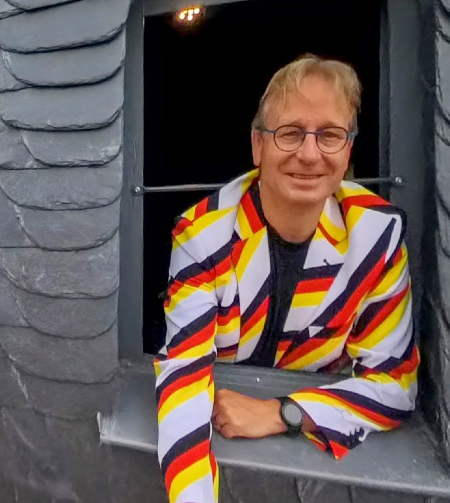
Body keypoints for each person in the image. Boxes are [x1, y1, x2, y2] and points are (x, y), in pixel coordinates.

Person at [154, 54, 419, 503]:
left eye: (330, 135)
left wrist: (285, 413)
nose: (310, 154)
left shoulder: (378, 235)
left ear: (348, 150)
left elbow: (394, 383)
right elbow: (184, 377)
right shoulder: (203, 234)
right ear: (258, 145)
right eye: (290, 133)